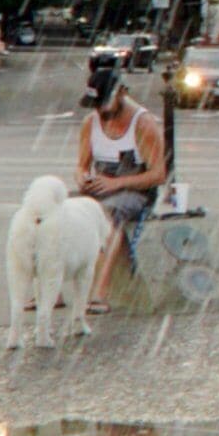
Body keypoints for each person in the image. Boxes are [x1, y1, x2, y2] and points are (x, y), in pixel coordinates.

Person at [73, 69, 173, 310]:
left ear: (121, 94)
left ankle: (100, 292)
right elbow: (81, 165)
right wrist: (83, 178)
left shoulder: (143, 124)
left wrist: (117, 183)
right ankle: (48, 290)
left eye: (104, 105)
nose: (100, 112)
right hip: (101, 188)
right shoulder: (91, 123)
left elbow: (158, 174)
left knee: (108, 215)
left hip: (136, 191)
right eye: (96, 106)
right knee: (58, 210)